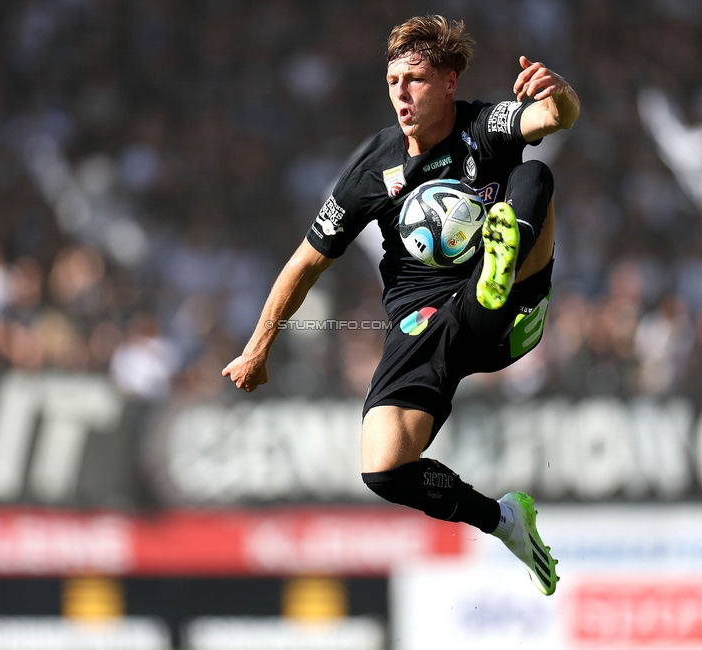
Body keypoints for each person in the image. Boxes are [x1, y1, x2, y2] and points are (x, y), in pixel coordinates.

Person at [223, 15, 579, 596]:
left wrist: (558, 93)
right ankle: (503, 520)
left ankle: (499, 265)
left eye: (414, 79)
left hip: (514, 308)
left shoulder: (485, 125)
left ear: (449, 80)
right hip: (425, 319)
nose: (401, 93)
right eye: (392, 81)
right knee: (383, 467)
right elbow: (305, 262)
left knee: (535, 173)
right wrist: (257, 349)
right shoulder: (372, 169)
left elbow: (555, 118)